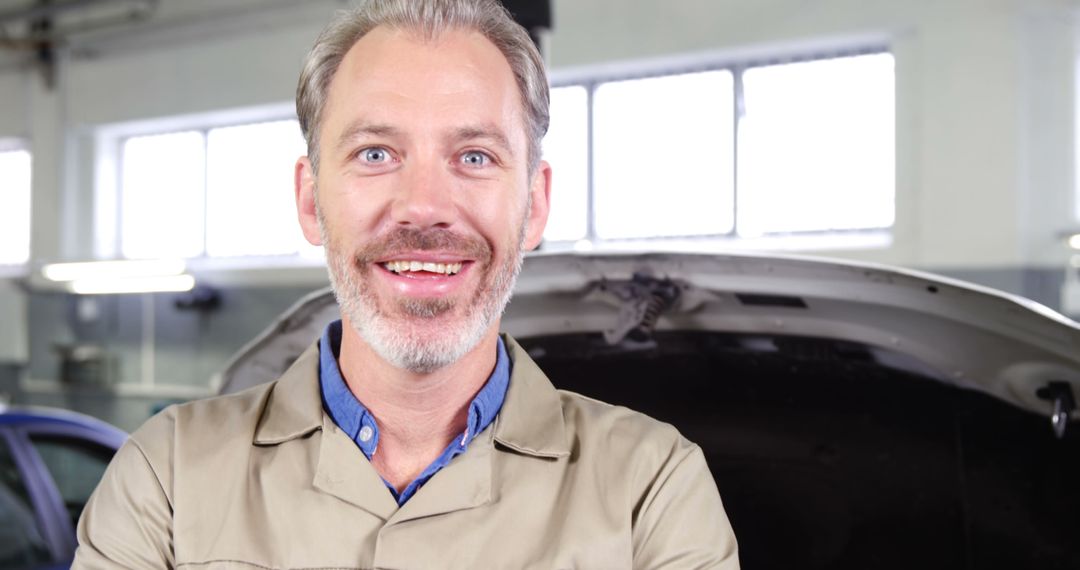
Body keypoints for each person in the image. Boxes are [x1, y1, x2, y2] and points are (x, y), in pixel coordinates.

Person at [73, 0, 740, 568]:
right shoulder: (167, 476)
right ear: (310, 200)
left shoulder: (650, 491)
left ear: (534, 204)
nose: (424, 205)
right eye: (376, 154)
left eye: (473, 156)